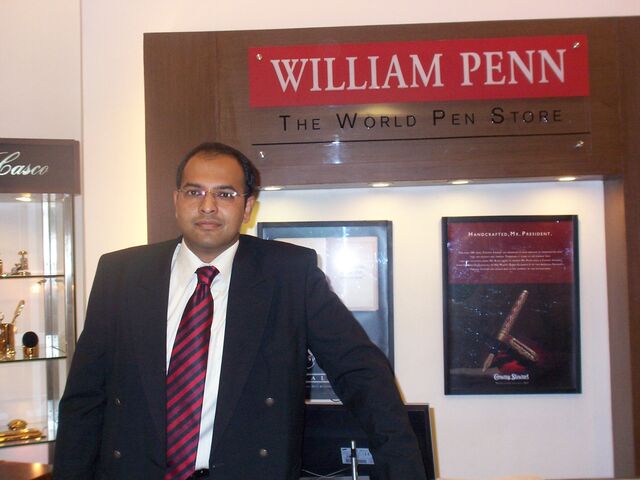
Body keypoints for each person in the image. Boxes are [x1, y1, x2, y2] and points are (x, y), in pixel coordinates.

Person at [53, 142, 427, 480]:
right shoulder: (122, 273)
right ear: (176, 200)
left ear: (248, 206)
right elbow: (85, 396)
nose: (207, 206)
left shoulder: (289, 274)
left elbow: (360, 373)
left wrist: (403, 469)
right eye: (194, 191)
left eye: (225, 194)